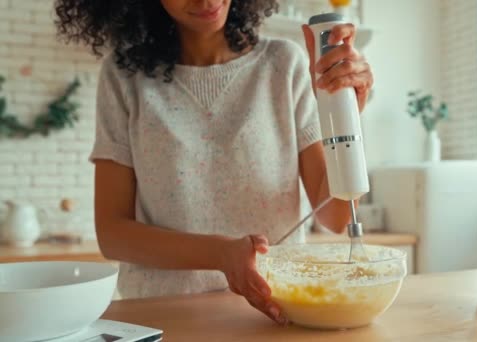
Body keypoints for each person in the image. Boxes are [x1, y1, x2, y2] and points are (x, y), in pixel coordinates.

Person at [55, 0, 373, 325]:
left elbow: (335, 215)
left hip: (274, 319)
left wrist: (346, 116)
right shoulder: (124, 77)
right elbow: (113, 235)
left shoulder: (283, 65)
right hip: (163, 320)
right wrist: (220, 255)